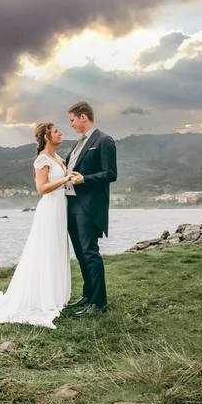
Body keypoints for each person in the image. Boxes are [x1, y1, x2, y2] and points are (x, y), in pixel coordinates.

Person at [0, 122, 78, 329]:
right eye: (56, 131)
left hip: (60, 208)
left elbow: (64, 182)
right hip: (49, 209)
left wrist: (72, 180)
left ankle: (56, 295)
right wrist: (65, 181)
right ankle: (42, 299)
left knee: (56, 250)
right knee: (45, 251)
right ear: (46, 136)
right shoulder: (42, 159)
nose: (60, 133)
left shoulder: (58, 158)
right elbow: (42, 188)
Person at [62, 101, 117, 316]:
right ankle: (88, 296)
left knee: (90, 252)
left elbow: (110, 174)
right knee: (81, 253)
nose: (71, 124)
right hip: (72, 205)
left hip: (89, 207)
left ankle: (99, 303)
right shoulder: (78, 144)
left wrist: (84, 179)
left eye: (72, 120)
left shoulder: (104, 140)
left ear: (83, 117)